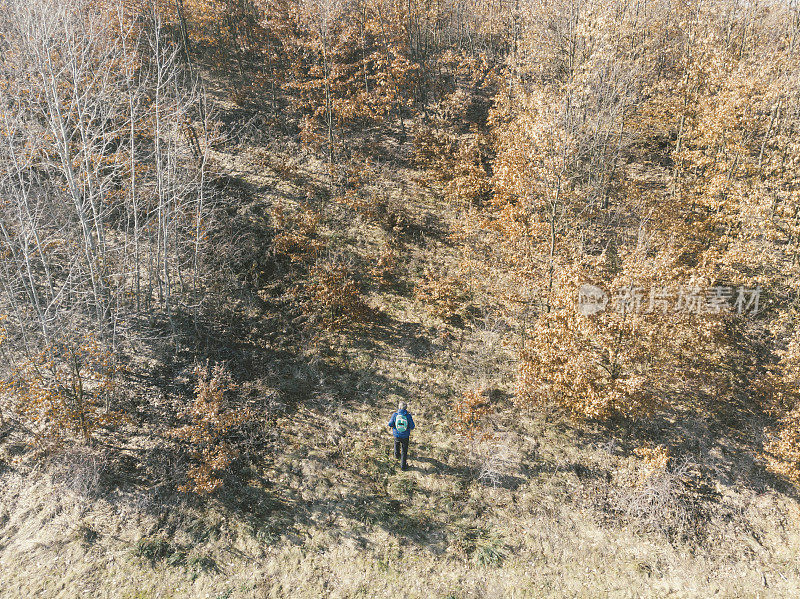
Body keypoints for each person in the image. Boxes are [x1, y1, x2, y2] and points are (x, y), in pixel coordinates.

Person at [388, 401, 415, 471]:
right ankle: (403, 466)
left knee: (396, 444)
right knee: (404, 450)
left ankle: (396, 456)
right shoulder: (408, 416)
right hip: (405, 436)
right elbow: (412, 426)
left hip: (396, 435)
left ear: (399, 407)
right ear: (406, 408)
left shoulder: (395, 415)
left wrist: (395, 426)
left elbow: (390, 424)